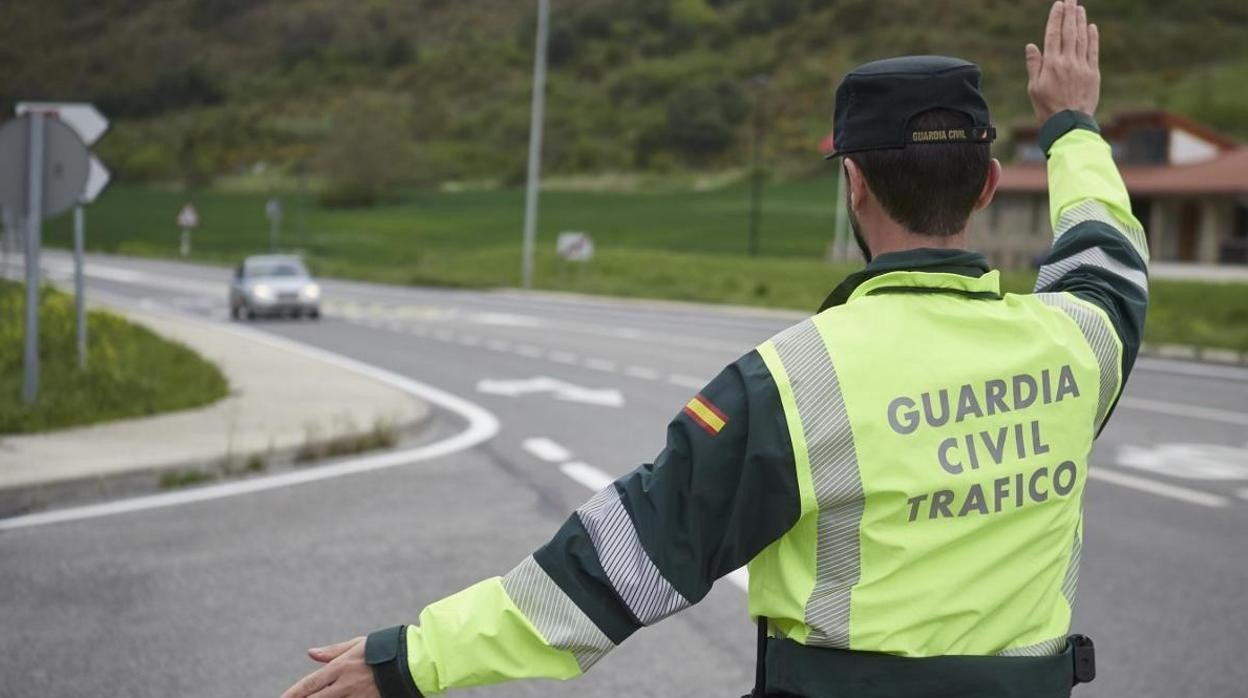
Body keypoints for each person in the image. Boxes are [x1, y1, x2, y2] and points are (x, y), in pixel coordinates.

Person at [283, 1, 1147, 696]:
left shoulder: (794, 382)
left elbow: (617, 567)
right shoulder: (1079, 345)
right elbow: (1108, 257)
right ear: (991, 184)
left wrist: (410, 660)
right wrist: (1070, 125)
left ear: (852, 182)